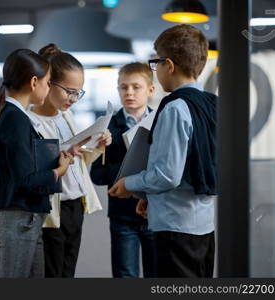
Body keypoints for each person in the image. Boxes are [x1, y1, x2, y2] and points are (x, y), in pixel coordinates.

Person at [109, 24, 217, 278]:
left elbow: (168, 174)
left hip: (175, 229)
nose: (156, 72)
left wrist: (130, 183)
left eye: (156, 64)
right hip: (203, 225)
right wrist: (149, 198)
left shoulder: (175, 108)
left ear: (169, 65)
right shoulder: (212, 103)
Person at [0, 49, 73, 278]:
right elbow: (25, 179)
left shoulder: (16, 116)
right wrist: (58, 171)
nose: (48, 88)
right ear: (34, 82)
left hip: (27, 218)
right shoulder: (15, 118)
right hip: (19, 219)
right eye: (47, 82)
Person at [28, 43, 112, 278]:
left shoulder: (66, 116)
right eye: (69, 91)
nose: (74, 98)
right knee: (52, 272)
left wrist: (96, 145)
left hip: (76, 205)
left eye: (78, 92)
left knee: (68, 271)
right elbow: (38, 169)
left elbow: (79, 162)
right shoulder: (31, 120)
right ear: (47, 82)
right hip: (53, 210)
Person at [90, 62, 157, 278]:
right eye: (123, 87)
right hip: (122, 216)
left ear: (150, 90)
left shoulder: (161, 121)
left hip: (155, 213)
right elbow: (96, 175)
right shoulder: (107, 127)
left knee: (156, 276)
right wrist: (128, 171)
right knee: (124, 275)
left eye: (136, 87)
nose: (129, 93)